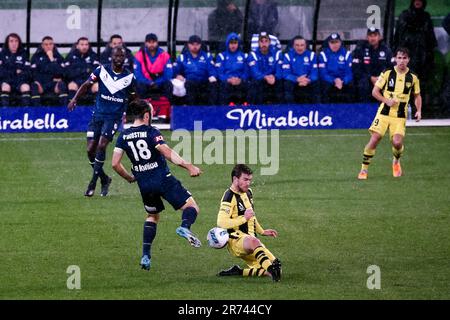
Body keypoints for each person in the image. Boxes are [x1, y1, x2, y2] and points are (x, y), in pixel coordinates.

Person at [111, 99, 202, 270]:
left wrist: (129, 178)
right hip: (163, 179)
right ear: (146, 115)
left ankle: (146, 255)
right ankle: (184, 227)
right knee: (192, 207)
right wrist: (189, 166)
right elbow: (167, 152)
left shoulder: (123, 136)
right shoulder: (151, 132)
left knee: (152, 216)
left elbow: (115, 163)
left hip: (144, 185)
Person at [67, 47, 137, 197]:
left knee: (102, 145)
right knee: (90, 149)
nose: (119, 58)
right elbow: (86, 85)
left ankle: (92, 183)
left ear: (124, 58)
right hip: (97, 115)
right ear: (111, 57)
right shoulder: (101, 70)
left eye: (121, 56)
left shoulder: (130, 77)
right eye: (116, 55)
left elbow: (134, 98)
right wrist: (74, 99)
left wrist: (138, 114)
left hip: (114, 117)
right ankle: (104, 179)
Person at [358, 47, 421, 180]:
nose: (401, 61)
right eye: (399, 58)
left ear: (408, 60)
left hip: (399, 116)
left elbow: (417, 96)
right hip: (384, 113)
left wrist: (419, 110)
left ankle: (396, 161)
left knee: (397, 143)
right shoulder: (387, 73)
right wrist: (386, 100)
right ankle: (364, 169)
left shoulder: (413, 78)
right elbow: (375, 92)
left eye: (404, 58)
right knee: (375, 139)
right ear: (395, 59)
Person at [216, 164, 281, 281]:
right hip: (236, 240)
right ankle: (270, 269)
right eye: (245, 179)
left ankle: (239, 271)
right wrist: (243, 218)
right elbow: (221, 222)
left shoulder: (248, 192)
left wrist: (262, 231)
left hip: (251, 239)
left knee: (276, 267)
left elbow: (251, 216)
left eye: (250, 180)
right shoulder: (229, 196)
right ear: (235, 179)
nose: (248, 183)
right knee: (270, 265)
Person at [392, 0, 437, 88]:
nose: (418, 1)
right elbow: (398, 37)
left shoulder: (426, 17)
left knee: (421, 84)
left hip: (422, 57)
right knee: (406, 83)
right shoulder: (404, 16)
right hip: (407, 55)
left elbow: (430, 39)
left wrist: (429, 57)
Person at [173, 35, 218, 105]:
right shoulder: (182, 57)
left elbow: (212, 69)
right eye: (192, 44)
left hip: (204, 82)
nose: (195, 46)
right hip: (189, 82)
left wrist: (212, 76)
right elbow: (175, 70)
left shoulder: (207, 56)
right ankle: (191, 110)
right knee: (189, 85)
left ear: (200, 45)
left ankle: (211, 110)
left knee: (213, 85)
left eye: (197, 44)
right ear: (188, 45)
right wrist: (177, 75)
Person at [352, 28, 393, 102]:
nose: (373, 38)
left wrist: (381, 78)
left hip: (382, 78)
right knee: (362, 85)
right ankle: (364, 109)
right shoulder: (360, 49)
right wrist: (370, 77)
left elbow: (391, 67)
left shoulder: (386, 50)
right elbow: (356, 68)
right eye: (370, 36)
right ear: (367, 37)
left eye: (375, 35)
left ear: (379, 37)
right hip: (366, 78)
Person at [133, 33, 173, 101]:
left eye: (153, 42)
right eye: (149, 42)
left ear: (157, 43)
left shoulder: (164, 55)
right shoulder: (139, 55)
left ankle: (166, 107)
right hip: (145, 83)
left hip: (160, 83)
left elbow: (168, 74)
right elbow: (137, 75)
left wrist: (157, 82)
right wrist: (149, 82)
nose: (151, 44)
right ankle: (143, 108)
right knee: (139, 85)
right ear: (145, 43)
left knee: (168, 84)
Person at [30, 36, 68, 106]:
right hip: (41, 83)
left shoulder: (58, 57)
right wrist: (37, 81)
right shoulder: (36, 57)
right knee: (34, 86)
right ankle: (37, 112)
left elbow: (61, 72)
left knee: (62, 85)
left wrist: (52, 59)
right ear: (42, 46)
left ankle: (64, 112)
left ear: (53, 45)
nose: (48, 46)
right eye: (46, 44)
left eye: (50, 44)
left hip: (54, 84)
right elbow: (33, 72)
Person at [247, 32, 283, 104]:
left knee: (281, 83)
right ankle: (256, 109)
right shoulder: (253, 54)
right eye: (261, 41)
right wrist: (265, 77)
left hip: (273, 80)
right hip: (261, 80)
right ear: (258, 43)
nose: (264, 44)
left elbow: (279, 70)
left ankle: (279, 110)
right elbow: (255, 72)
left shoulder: (276, 53)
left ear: (269, 42)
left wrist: (274, 77)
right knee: (255, 83)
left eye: (266, 41)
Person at [282, 35, 319, 104]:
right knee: (287, 84)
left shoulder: (311, 55)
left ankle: (316, 111)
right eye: (297, 45)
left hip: (307, 80)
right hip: (294, 80)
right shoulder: (288, 56)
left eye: (302, 45)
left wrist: (308, 80)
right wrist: (297, 79)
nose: (299, 47)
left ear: (305, 46)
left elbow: (314, 73)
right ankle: (291, 110)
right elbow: (286, 74)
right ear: (293, 46)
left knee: (316, 84)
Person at [318, 33, 353, 103]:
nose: (335, 45)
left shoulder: (347, 54)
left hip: (343, 80)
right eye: (332, 42)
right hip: (329, 80)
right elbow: (323, 73)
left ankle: (350, 111)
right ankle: (326, 111)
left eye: (336, 42)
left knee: (351, 86)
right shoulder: (323, 54)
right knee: (324, 86)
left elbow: (349, 73)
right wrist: (334, 80)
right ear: (328, 43)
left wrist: (343, 81)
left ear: (340, 42)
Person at [216, 33, 249, 106]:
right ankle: (223, 109)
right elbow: (219, 73)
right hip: (227, 81)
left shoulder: (244, 56)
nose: (233, 45)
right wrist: (228, 79)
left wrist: (240, 79)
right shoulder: (221, 56)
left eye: (235, 43)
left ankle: (245, 108)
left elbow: (246, 71)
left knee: (248, 85)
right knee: (222, 85)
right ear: (227, 44)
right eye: (231, 43)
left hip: (240, 80)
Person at [65, 37, 100, 103]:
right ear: (77, 46)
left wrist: (78, 71)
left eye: (86, 45)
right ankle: (72, 108)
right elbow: (67, 72)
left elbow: (96, 71)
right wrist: (85, 70)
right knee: (71, 85)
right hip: (76, 81)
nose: (84, 47)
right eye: (82, 44)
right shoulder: (71, 56)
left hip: (89, 82)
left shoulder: (93, 56)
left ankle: (96, 110)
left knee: (97, 86)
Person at [0, 33, 32, 106]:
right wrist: (15, 71)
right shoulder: (2, 55)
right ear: (7, 43)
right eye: (11, 41)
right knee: (6, 87)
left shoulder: (24, 54)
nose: (14, 43)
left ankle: (25, 111)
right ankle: (5, 111)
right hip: (6, 81)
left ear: (19, 42)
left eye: (16, 41)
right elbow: (1, 72)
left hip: (20, 81)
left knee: (25, 87)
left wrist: (18, 72)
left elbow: (28, 72)